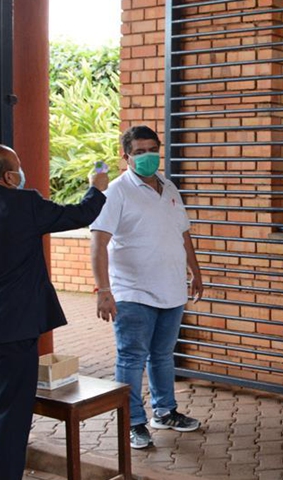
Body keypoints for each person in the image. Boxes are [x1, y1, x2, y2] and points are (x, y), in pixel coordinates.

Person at [0, 144, 108, 480]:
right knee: (10, 415)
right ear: (9, 177)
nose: (22, 173)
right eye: (19, 167)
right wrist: (96, 187)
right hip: (13, 328)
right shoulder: (24, 205)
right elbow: (79, 214)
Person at [90, 125, 204, 449]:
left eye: (152, 149)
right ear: (125, 156)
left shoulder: (169, 187)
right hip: (133, 292)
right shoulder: (116, 192)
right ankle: (133, 422)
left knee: (162, 356)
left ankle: (165, 412)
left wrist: (195, 271)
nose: (147, 156)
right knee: (131, 359)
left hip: (171, 289)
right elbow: (98, 242)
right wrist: (103, 290)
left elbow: (183, 233)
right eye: (139, 152)